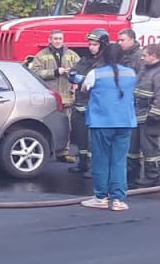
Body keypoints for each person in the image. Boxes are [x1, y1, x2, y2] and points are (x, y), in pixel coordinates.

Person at [79, 40, 137, 211]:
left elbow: (84, 89)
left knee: (101, 160)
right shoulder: (131, 73)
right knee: (119, 161)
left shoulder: (95, 73)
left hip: (102, 122)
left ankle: (101, 197)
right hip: (125, 121)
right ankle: (118, 199)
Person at [129, 42, 160, 185]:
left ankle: (152, 176)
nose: (142, 58)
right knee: (132, 148)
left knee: (150, 148)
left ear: (154, 56)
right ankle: (132, 175)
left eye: (145, 55)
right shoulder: (145, 69)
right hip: (136, 115)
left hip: (151, 117)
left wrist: (156, 115)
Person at [29, 30, 80, 158]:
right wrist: (55, 72)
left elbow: (80, 70)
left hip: (67, 97)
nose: (58, 41)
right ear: (49, 40)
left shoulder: (71, 55)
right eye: (55, 39)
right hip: (51, 98)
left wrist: (73, 77)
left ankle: (64, 152)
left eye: (60, 39)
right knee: (51, 125)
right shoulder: (41, 55)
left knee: (66, 126)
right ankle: (51, 150)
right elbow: (35, 73)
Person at [67, 29, 108, 177]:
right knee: (81, 137)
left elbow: (98, 81)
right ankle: (82, 163)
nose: (91, 47)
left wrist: (82, 79)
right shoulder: (85, 59)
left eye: (95, 44)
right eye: (90, 44)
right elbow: (73, 73)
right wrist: (73, 77)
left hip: (94, 104)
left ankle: (93, 168)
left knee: (93, 140)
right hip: (80, 103)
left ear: (102, 45)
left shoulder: (104, 62)